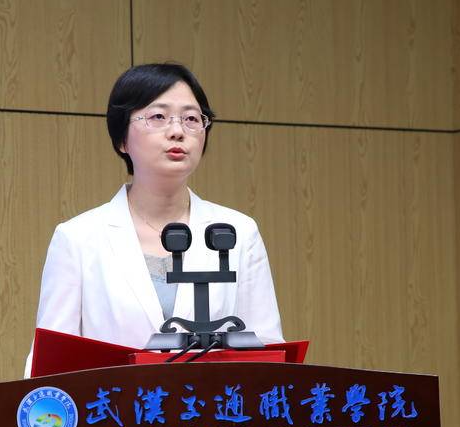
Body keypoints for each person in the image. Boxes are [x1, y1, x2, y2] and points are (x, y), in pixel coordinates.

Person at [24, 63, 283, 377]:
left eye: (191, 119)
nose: (177, 131)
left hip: (214, 407)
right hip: (114, 407)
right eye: (158, 116)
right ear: (122, 139)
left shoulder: (239, 232)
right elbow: (51, 365)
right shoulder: (78, 238)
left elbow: (269, 354)